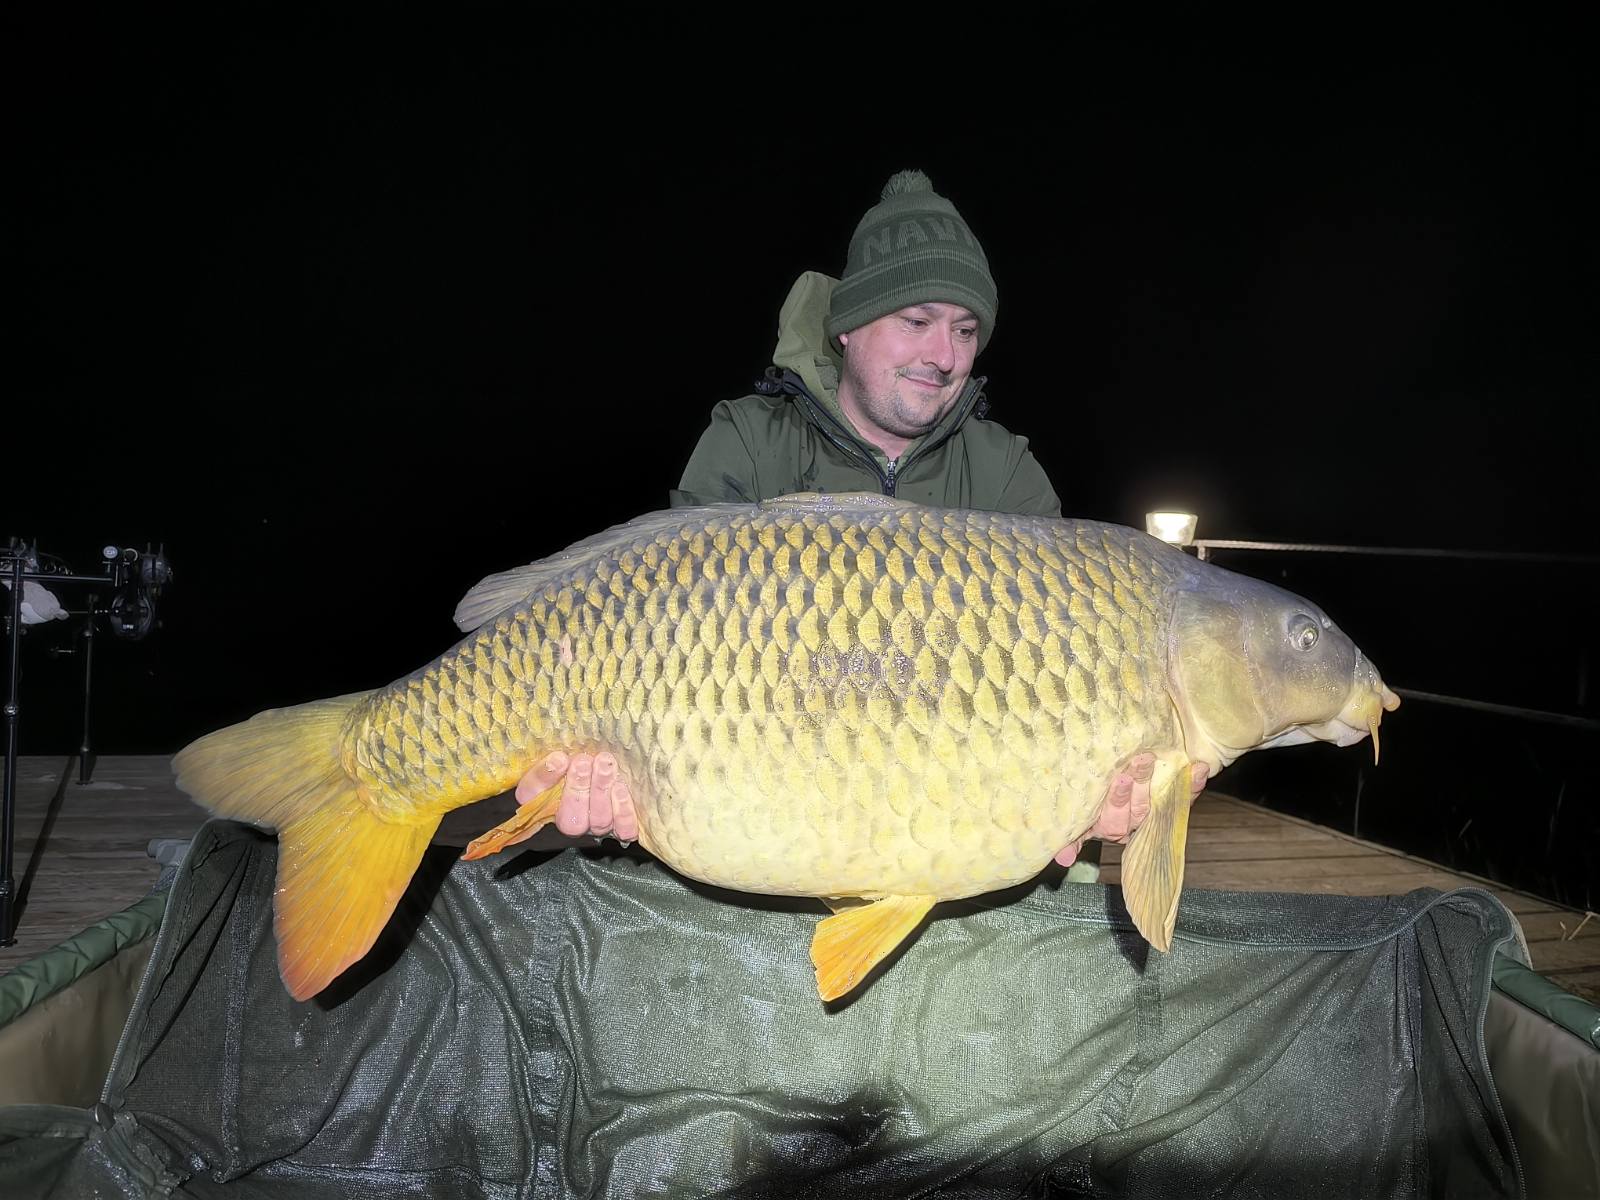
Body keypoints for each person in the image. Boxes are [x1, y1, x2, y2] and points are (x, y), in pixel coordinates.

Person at [509, 170, 1205, 881]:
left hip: (940, 827)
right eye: (916, 321)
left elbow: (1058, 682)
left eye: (965, 330)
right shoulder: (749, 443)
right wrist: (611, 778)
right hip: (760, 810)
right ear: (847, 327)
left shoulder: (1005, 477)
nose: (945, 356)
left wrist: (1102, 790)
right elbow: (665, 640)